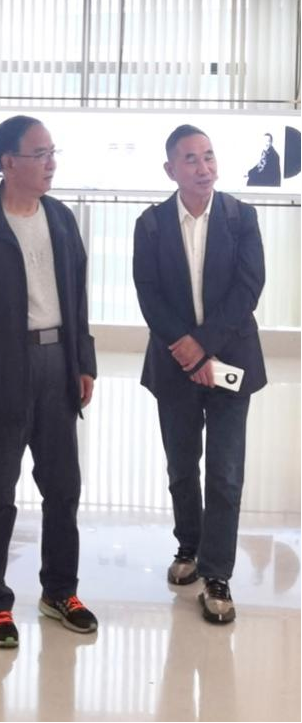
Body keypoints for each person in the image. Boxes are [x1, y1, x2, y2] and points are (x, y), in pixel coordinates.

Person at [0, 115, 98, 650]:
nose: (50, 163)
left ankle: (60, 591)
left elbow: (77, 298)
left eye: (53, 153)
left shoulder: (61, 219)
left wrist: (84, 361)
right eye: (39, 154)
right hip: (0, 371)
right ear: (8, 162)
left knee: (63, 488)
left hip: (57, 364)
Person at [133, 124, 267, 624]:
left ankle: (217, 575)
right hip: (175, 365)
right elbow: (148, 293)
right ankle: (188, 546)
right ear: (170, 169)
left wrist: (203, 345)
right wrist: (188, 352)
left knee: (226, 473)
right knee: (182, 466)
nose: (203, 167)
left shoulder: (240, 217)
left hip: (231, 360)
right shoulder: (150, 224)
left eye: (208, 156)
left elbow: (248, 288)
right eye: (190, 159)